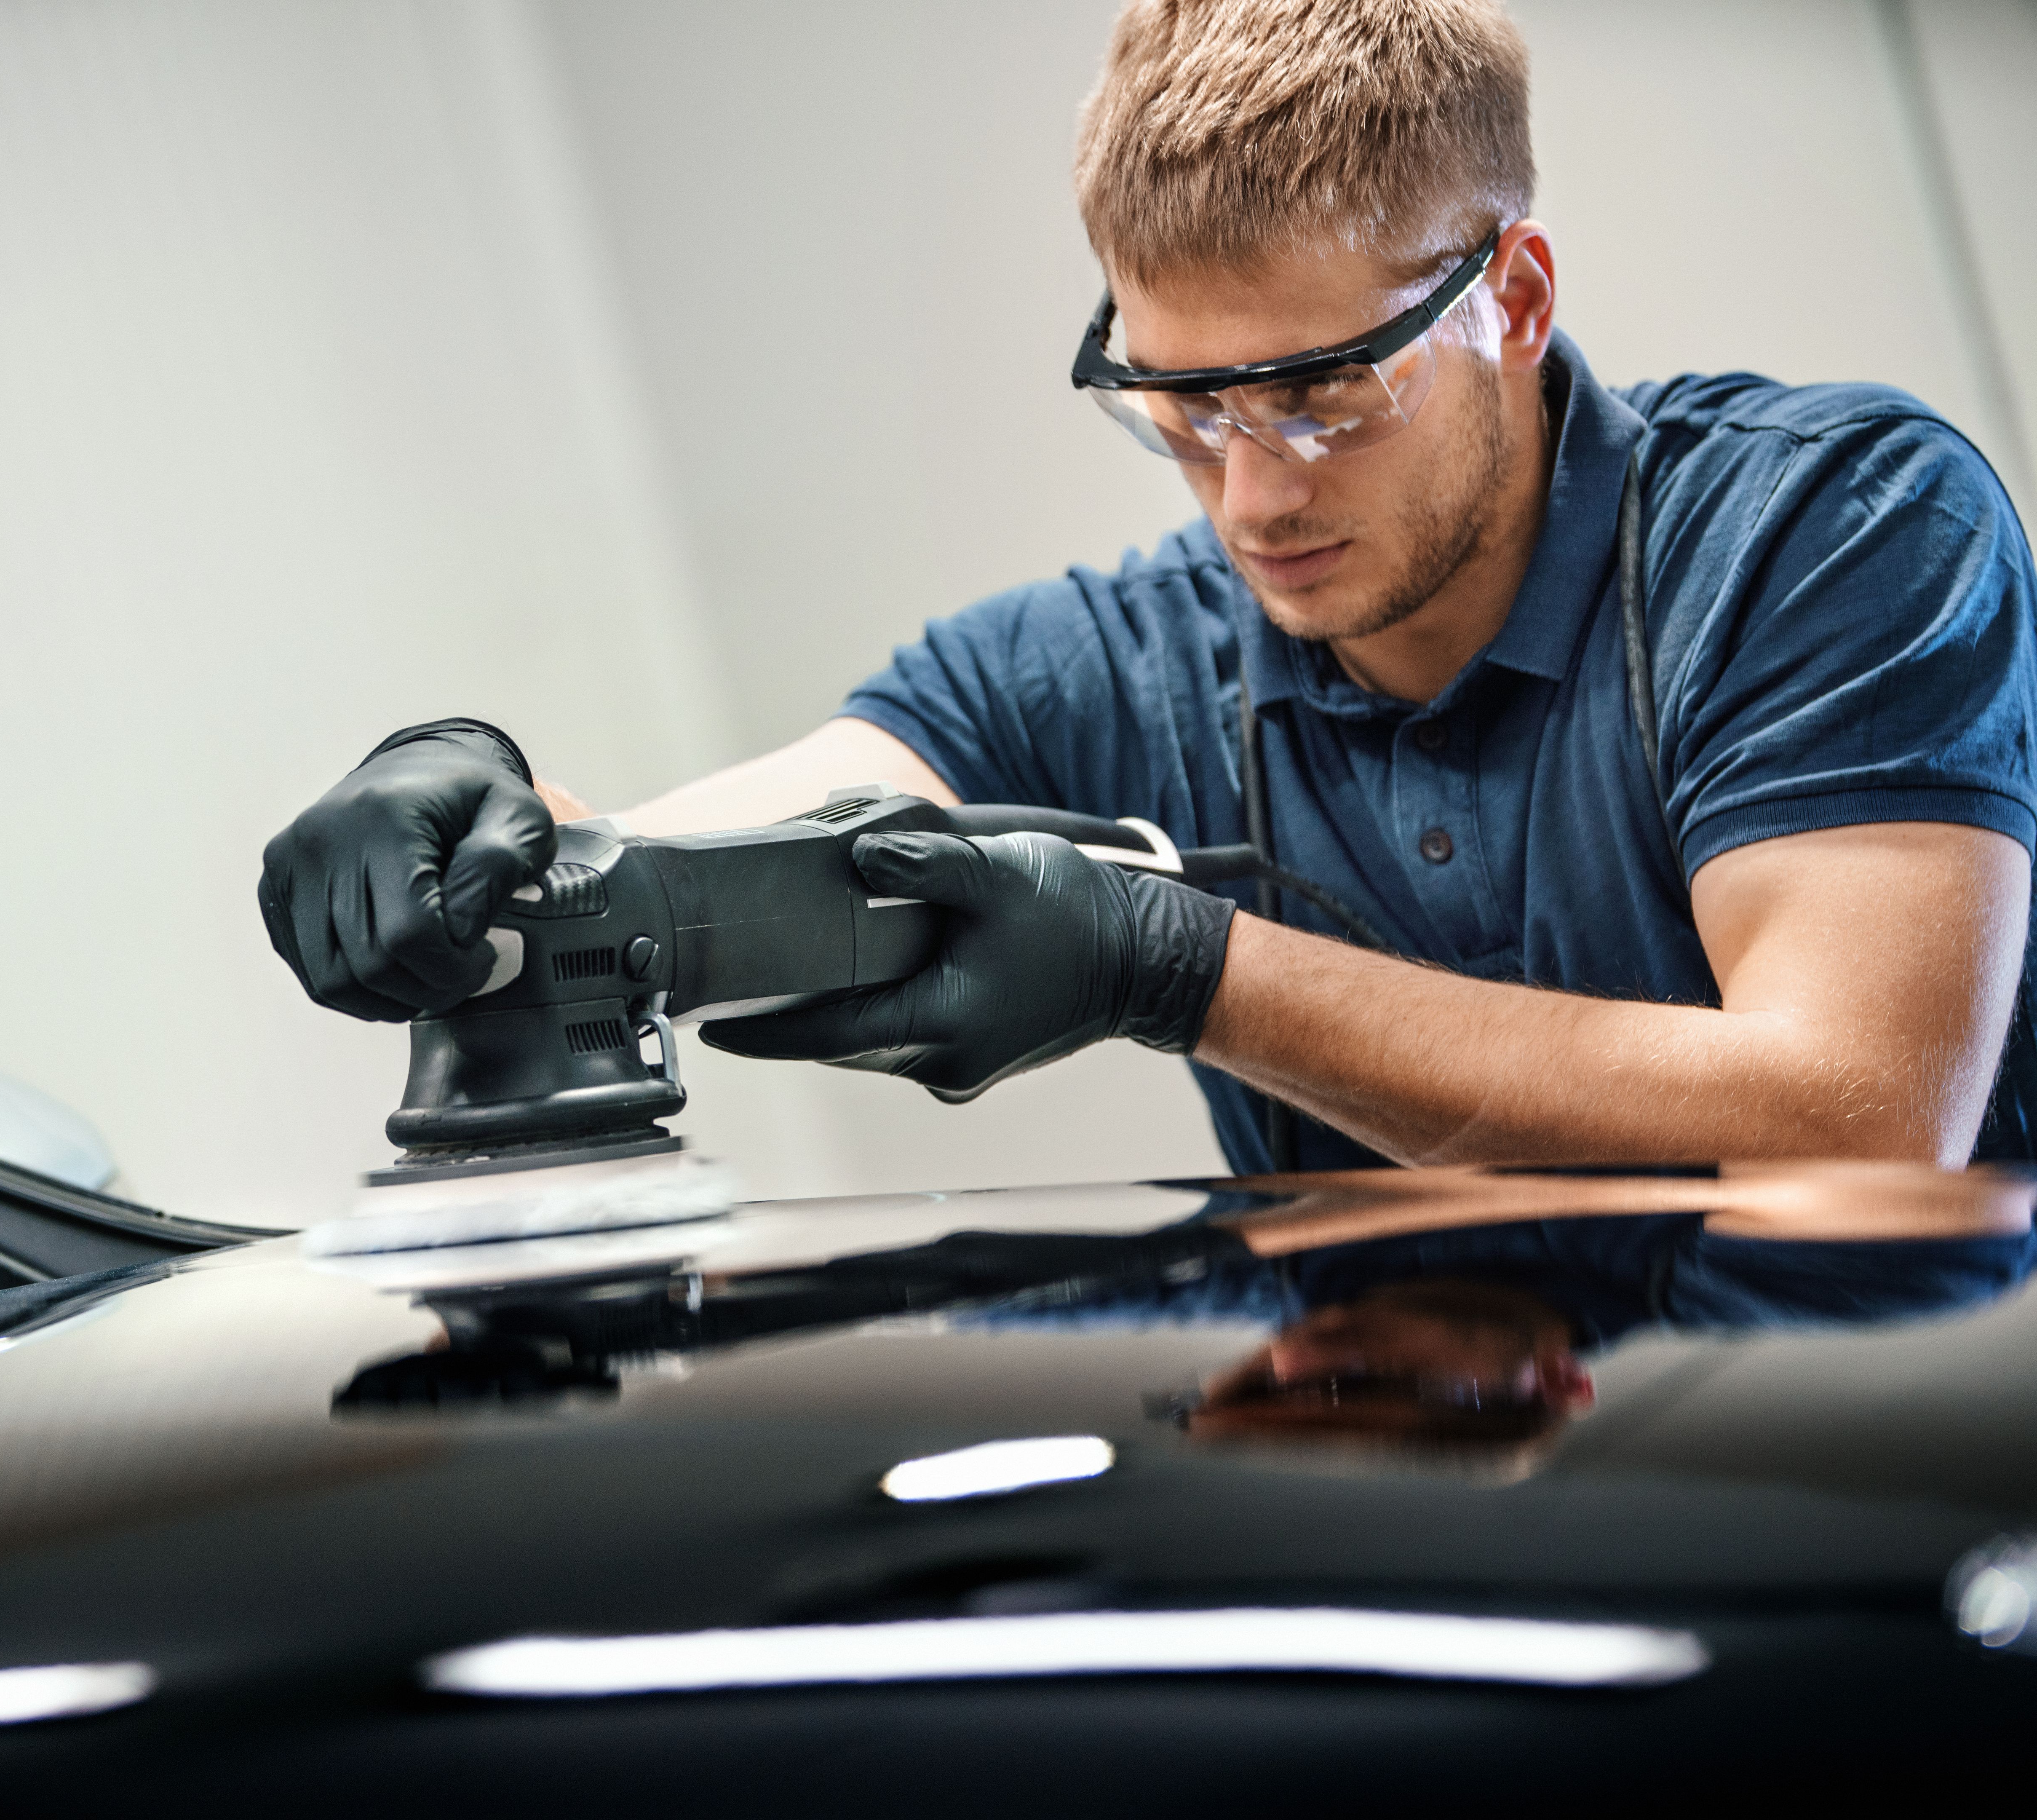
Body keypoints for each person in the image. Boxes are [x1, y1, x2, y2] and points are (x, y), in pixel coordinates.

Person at [259, 0, 2037, 1173]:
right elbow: (670, 865)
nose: (1251, 495)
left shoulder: (1832, 530)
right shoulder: (1109, 666)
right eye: (1179, 406)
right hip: (1435, 1565)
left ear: (1511, 297)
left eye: (1324, 393)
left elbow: (1857, 1124)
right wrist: (474, 816)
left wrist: (1182, 971)